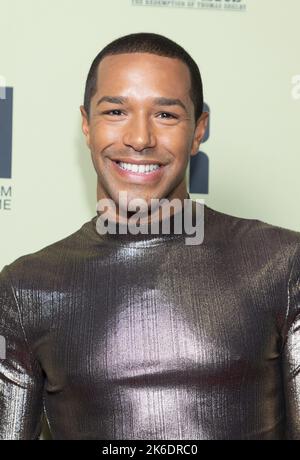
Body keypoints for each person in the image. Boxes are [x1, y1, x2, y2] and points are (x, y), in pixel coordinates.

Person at [0, 32, 299, 440]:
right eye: (116, 111)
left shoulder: (282, 263)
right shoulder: (24, 288)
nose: (139, 139)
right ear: (86, 126)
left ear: (199, 130)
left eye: (166, 115)